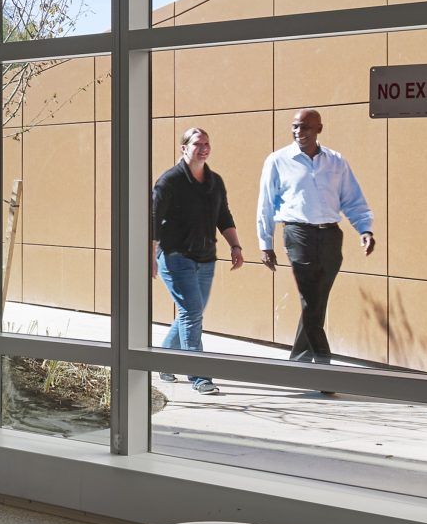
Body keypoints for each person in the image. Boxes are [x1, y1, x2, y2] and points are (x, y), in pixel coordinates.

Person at [256, 108, 375, 383]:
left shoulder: (335, 161)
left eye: (306, 127)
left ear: (319, 128)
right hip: (298, 235)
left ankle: (296, 364)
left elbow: (353, 199)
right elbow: (265, 204)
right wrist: (266, 242)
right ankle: (325, 372)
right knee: (311, 299)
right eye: (295, 127)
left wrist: (364, 229)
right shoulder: (277, 161)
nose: (300, 132)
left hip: (332, 236)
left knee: (316, 303)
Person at [149, 128, 244, 394]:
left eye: (206, 143)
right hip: (174, 256)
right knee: (191, 313)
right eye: (196, 144)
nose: (203, 148)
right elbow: (153, 220)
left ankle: (163, 360)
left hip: (205, 259)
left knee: (191, 313)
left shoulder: (215, 181)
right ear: (183, 148)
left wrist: (235, 245)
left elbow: (223, 216)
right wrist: (150, 255)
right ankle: (199, 376)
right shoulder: (169, 181)